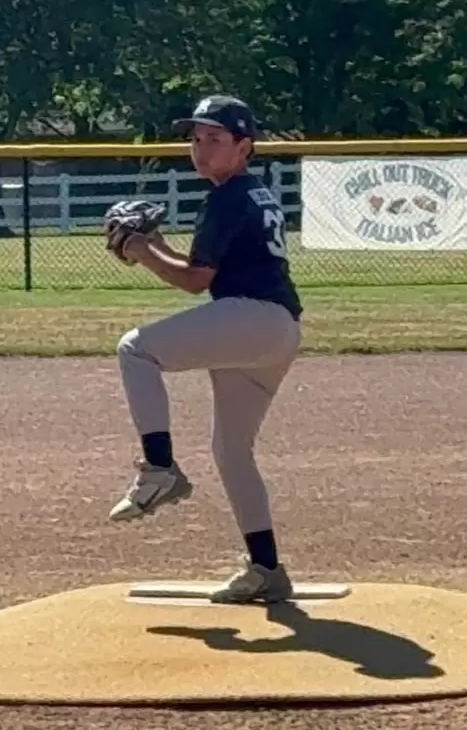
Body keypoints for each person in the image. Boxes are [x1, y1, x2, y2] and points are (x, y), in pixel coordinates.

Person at [110, 94, 303, 604]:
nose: (200, 148)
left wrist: (139, 249)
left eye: (215, 138)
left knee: (135, 350)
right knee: (232, 452)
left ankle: (159, 469)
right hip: (275, 330)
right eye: (196, 138)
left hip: (252, 318)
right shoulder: (249, 192)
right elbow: (203, 269)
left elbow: (196, 282)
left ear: (244, 146)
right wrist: (154, 243)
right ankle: (266, 569)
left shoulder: (227, 197)